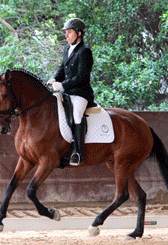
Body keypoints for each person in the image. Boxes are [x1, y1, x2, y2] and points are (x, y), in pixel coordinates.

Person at [47, 18, 95, 166]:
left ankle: (79, 153)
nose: (66, 36)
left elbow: (82, 77)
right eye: (66, 33)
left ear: (79, 33)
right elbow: (62, 69)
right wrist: (54, 78)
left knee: (76, 114)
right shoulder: (67, 49)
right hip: (67, 92)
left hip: (81, 93)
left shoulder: (85, 52)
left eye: (69, 32)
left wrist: (62, 85)